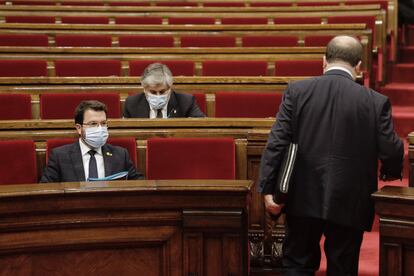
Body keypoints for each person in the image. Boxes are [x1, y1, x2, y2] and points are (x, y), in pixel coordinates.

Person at [258, 36, 404, 276]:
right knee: (343, 268)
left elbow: (277, 142)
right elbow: (391, 148)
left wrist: (268, 189)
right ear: (359, 66)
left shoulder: (297, 91)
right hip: (351, 198)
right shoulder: (376, 102)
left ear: (323, 61)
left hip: (302, 194)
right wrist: (389, 171)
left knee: (297, 263)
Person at [41, 100, 144, 182]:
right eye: (93, 124)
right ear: (79, 128)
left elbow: (139, 183)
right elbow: (46, 190)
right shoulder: (59, 156)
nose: (99, 129)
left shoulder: (120, 154)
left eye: (103, 123)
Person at [123, 62, 205, 118]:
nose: (158, 96)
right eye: (153, 92)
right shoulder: (132, 103)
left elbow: (201, 126)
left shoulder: (186, 102)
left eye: (162, 92)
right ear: (144, 89)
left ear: (170, 88)